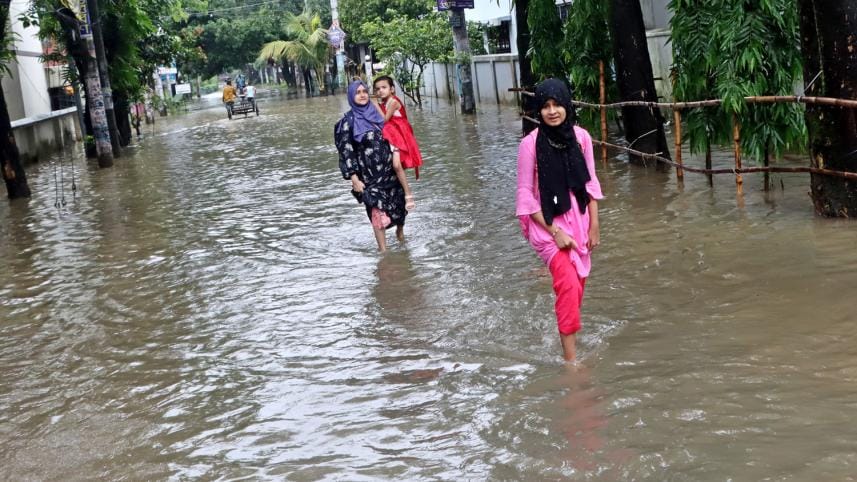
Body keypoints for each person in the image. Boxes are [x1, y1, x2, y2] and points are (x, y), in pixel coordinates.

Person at [516, 78, 603, 362]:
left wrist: (594, 225)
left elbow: (589, 183)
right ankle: (571, 361)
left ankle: (565, 332)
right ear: (538, 111)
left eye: (557, 105)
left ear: (567, 105)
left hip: (579, 222)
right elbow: (526, 196)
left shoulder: (582, 138)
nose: (552, 111)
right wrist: (554, 231)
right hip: (546, 225)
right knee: (567, 283)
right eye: (545, 106)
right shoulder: (530, 145)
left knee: (577, 288)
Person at [335, 80, 407, 252]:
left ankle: (401, 238)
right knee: (377, 213)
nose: (362, 95)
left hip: (390, 174)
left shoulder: (378, 115)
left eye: (364, 91)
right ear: (351, 97)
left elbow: (396, 133)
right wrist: (354, 178)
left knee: (398, 209)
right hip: (369, 178)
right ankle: (384, 252)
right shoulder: (347, 122)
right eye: (357, 92)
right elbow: (346, 153)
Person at [372, 75, 422, 211]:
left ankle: (408, 193)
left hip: (399, 135)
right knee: (395, 166)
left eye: (384, 87)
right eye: (377, 89)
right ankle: (400, 192)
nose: (380, 91)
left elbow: (384, 120)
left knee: (396, 164)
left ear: (392, 89)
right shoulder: (384, 103)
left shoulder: (393, 101)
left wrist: (375, 105)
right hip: (393, 133)